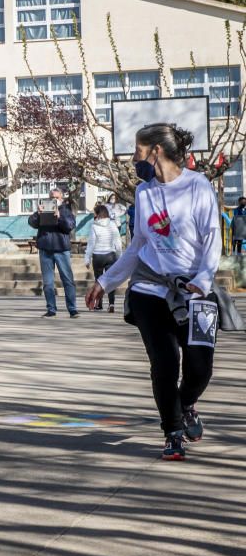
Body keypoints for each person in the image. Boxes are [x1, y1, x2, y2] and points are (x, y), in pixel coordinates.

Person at [87, 123, 221, 461]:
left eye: (137, 151)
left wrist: (202, 281)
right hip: (149, 289)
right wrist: (105, 282)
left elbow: (212, 238)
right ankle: (172, 431)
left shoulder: (198, 185)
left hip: (194, 289)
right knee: (164, 363)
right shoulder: (144, 192)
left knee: (200, 368)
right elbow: (138, 245)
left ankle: (186, 402)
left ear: (155, 152)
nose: (134, 158)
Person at [28, 187, 79, 318]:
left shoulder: (66, 210)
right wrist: (37, 214)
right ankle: (51, 309)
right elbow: (31, 223)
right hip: (45, 249)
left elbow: (69, 226)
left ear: (61, 198)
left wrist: (59, 216)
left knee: (67, 280)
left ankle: (72, 309)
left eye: (56, 198)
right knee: (48, 282)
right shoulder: (44, 209)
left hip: (61, 249)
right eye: (51, 198)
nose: (53, 200)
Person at [84, 204, 123, 313]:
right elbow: (118, 242)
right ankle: (111, 304)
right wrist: (119, 257)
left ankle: (98, 304)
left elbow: (91, 244)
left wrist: (87, 259)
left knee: (99, 281)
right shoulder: (112, 224)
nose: (94, 215)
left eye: (94, 213)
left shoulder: (94, 226)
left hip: (98, 256)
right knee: (110, 281)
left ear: (97, 214)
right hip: (110, 255)